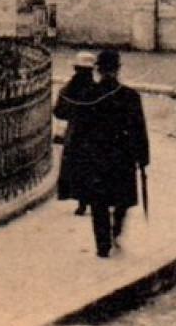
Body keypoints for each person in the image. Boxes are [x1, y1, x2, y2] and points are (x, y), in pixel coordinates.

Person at [53, 49, 149, 258]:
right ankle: (116, 230)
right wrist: (143, 158)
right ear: (118, 69)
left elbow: (67, 115)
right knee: (122, 198)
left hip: (95, 157)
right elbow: (138, 129)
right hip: (122, 157)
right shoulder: (130, 96)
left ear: (98, 69)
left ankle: (102, 245)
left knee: (99, 202)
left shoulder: (88, 95)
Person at [55, 51, 98, 216]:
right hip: (93, 135)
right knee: (92, 167)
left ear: (75, 69)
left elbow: (59, 112)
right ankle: (89, 200)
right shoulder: (96, 89)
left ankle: (82, 202)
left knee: (78, 166)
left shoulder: (68, 89)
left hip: (76, 134)